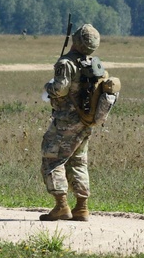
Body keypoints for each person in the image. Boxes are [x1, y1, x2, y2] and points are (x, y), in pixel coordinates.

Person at [39, 24, 103, 222]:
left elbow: (60, 90)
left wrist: (48, 86)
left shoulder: (66, 63)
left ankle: (61, 206)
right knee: (78, 161)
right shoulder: (93, 64)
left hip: (66, 121)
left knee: (53, 159)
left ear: (75, 41)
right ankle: (81, 208)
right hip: (85, 121)